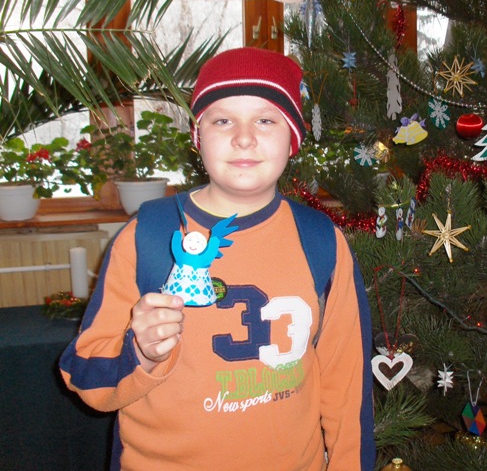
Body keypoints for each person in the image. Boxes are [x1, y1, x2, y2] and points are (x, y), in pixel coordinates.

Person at [59, 47, 376, 470]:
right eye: (223, 120)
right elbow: (84, 377)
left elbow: (347, 388)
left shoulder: (321, 241)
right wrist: (141, 354)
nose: (243, 138)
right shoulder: (146, 235)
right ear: (198, 136)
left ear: (292, 139)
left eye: (266, 120)